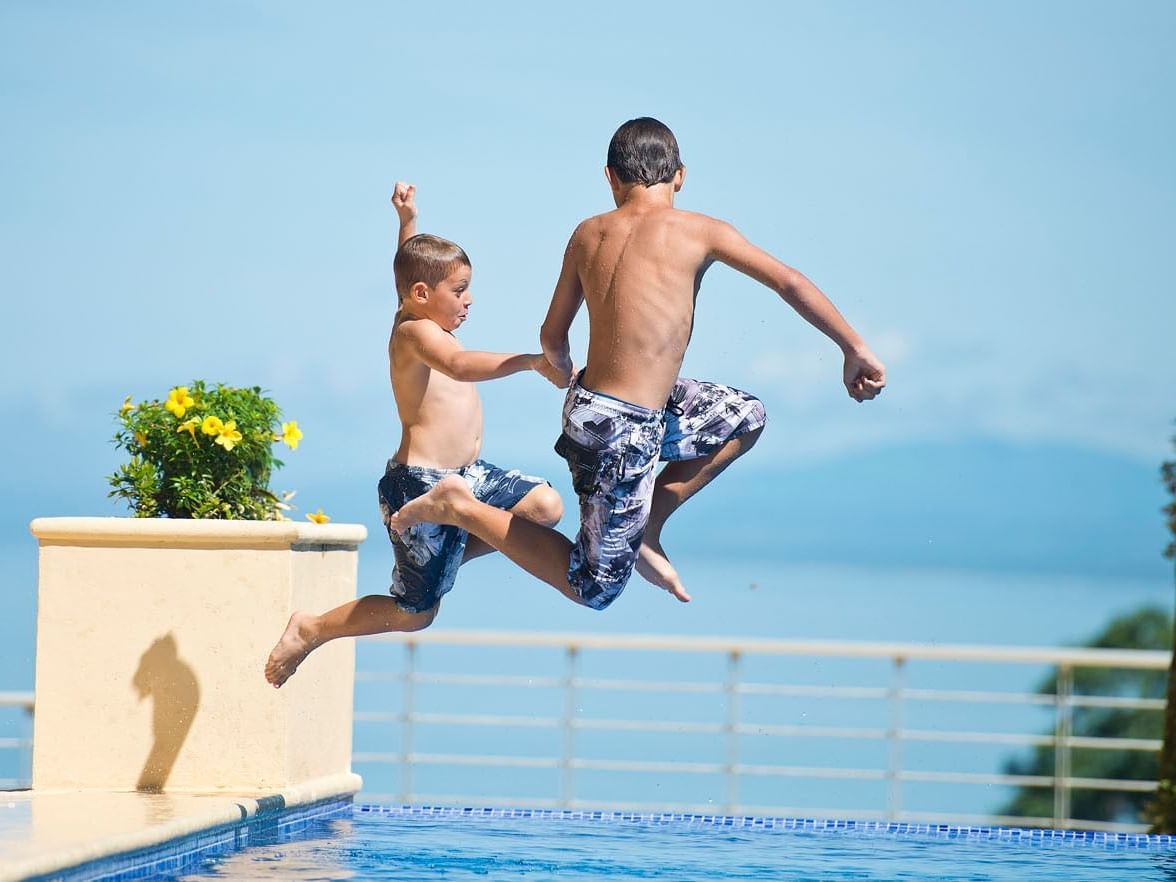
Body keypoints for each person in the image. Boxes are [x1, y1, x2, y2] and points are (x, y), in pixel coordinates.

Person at [389, 116, 887, 612]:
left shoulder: (589, 233)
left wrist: (559, 368)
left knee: (743, 414)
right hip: (620, 432)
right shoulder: (702, 231)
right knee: (594, 586)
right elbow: (790, 282)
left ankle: (650, 523)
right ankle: (461, 507)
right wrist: (853, 347)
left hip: (605, 411)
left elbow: (551, 335)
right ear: (681, 176)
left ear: (610, 177)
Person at [264, 182, 571, 687]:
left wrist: (407, 220)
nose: (470, 300)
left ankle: (447, 534)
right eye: (459, 290)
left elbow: (408, 271)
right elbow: (458, 364)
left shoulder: (423, 312)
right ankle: (312, 629)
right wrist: (530, 362)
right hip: (418, 483)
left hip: (467, 477)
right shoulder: (414, 333)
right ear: (424, 296)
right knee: (415, 613)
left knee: (544, 508)